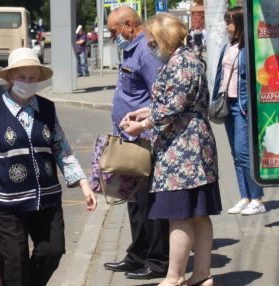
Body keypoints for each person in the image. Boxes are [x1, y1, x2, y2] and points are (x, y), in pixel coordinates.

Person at [0, 48, 97, 286]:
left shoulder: (47, 109)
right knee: (14, 261)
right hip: (7, 203)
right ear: (11, 78)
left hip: (46, 198)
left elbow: (61, 147)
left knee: (52, 251)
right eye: (22, 77)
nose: (28, 83)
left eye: (32, 78)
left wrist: (83, 183)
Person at [121, 13, 222, 286]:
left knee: (179, 216)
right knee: (198, 214)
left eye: (152, 42)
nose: (151, 47)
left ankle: (175, 276)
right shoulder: (188, 58)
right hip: (193, 148)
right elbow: (175, 102)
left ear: (164, 38)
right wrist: (144, 112)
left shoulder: (180, 63)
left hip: (182, 151)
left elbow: (173, 107)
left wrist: (141, 125)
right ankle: (202, 275)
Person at [102, 6, 169, 280]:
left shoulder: (145, 51)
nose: (111, 36)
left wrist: (143, 125)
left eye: (113, 31)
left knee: (148, 202)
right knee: (133, 201)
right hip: (129, 139)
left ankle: (157, 260)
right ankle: (137, 254)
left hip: (143, 139)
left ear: (129, 25)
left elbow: (160, 96)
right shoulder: (132, 49)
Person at [213, 6, 266, 216]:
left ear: (241, 24)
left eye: (230, 22)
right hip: (228, 105)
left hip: (242, 106)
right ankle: (244, 197)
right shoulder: (229, 46)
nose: (227, 27)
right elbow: (220, 75)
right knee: (236, 155)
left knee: (245, 154)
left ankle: (257, 199)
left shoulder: (248, 48)